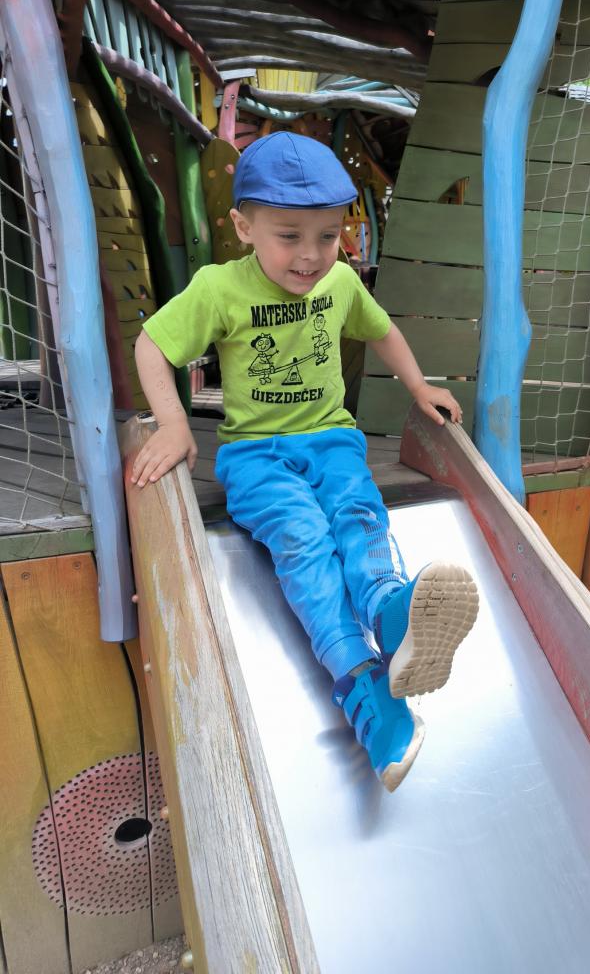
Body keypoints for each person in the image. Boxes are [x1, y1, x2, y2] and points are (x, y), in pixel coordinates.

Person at [131, 132, 479, 792]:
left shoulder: (340, 281)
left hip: (332, 442)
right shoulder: (220, 288)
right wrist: (174, 423)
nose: (312, 255)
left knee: (358, 515)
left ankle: (391, 612)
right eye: (289, 236)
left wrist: (418, 386)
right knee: (304, 540)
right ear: (244, 227)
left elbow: (380, 329)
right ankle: (359, 680)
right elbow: (153, 345)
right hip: (257, 458)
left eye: (327, 235)